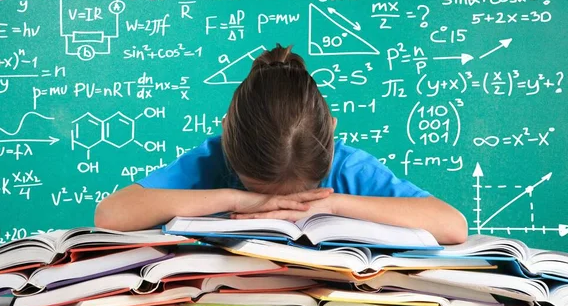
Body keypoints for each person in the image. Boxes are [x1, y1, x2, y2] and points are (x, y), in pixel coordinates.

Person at [95, 44, 467, 244]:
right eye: (259, 189)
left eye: (305, 193)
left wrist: (332, 204)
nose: (284, 207)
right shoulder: (211, 162)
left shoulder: (348, 169)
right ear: (227, 139)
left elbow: (453, 226)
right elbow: (110, 215)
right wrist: (238, 199)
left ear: (331, 138)